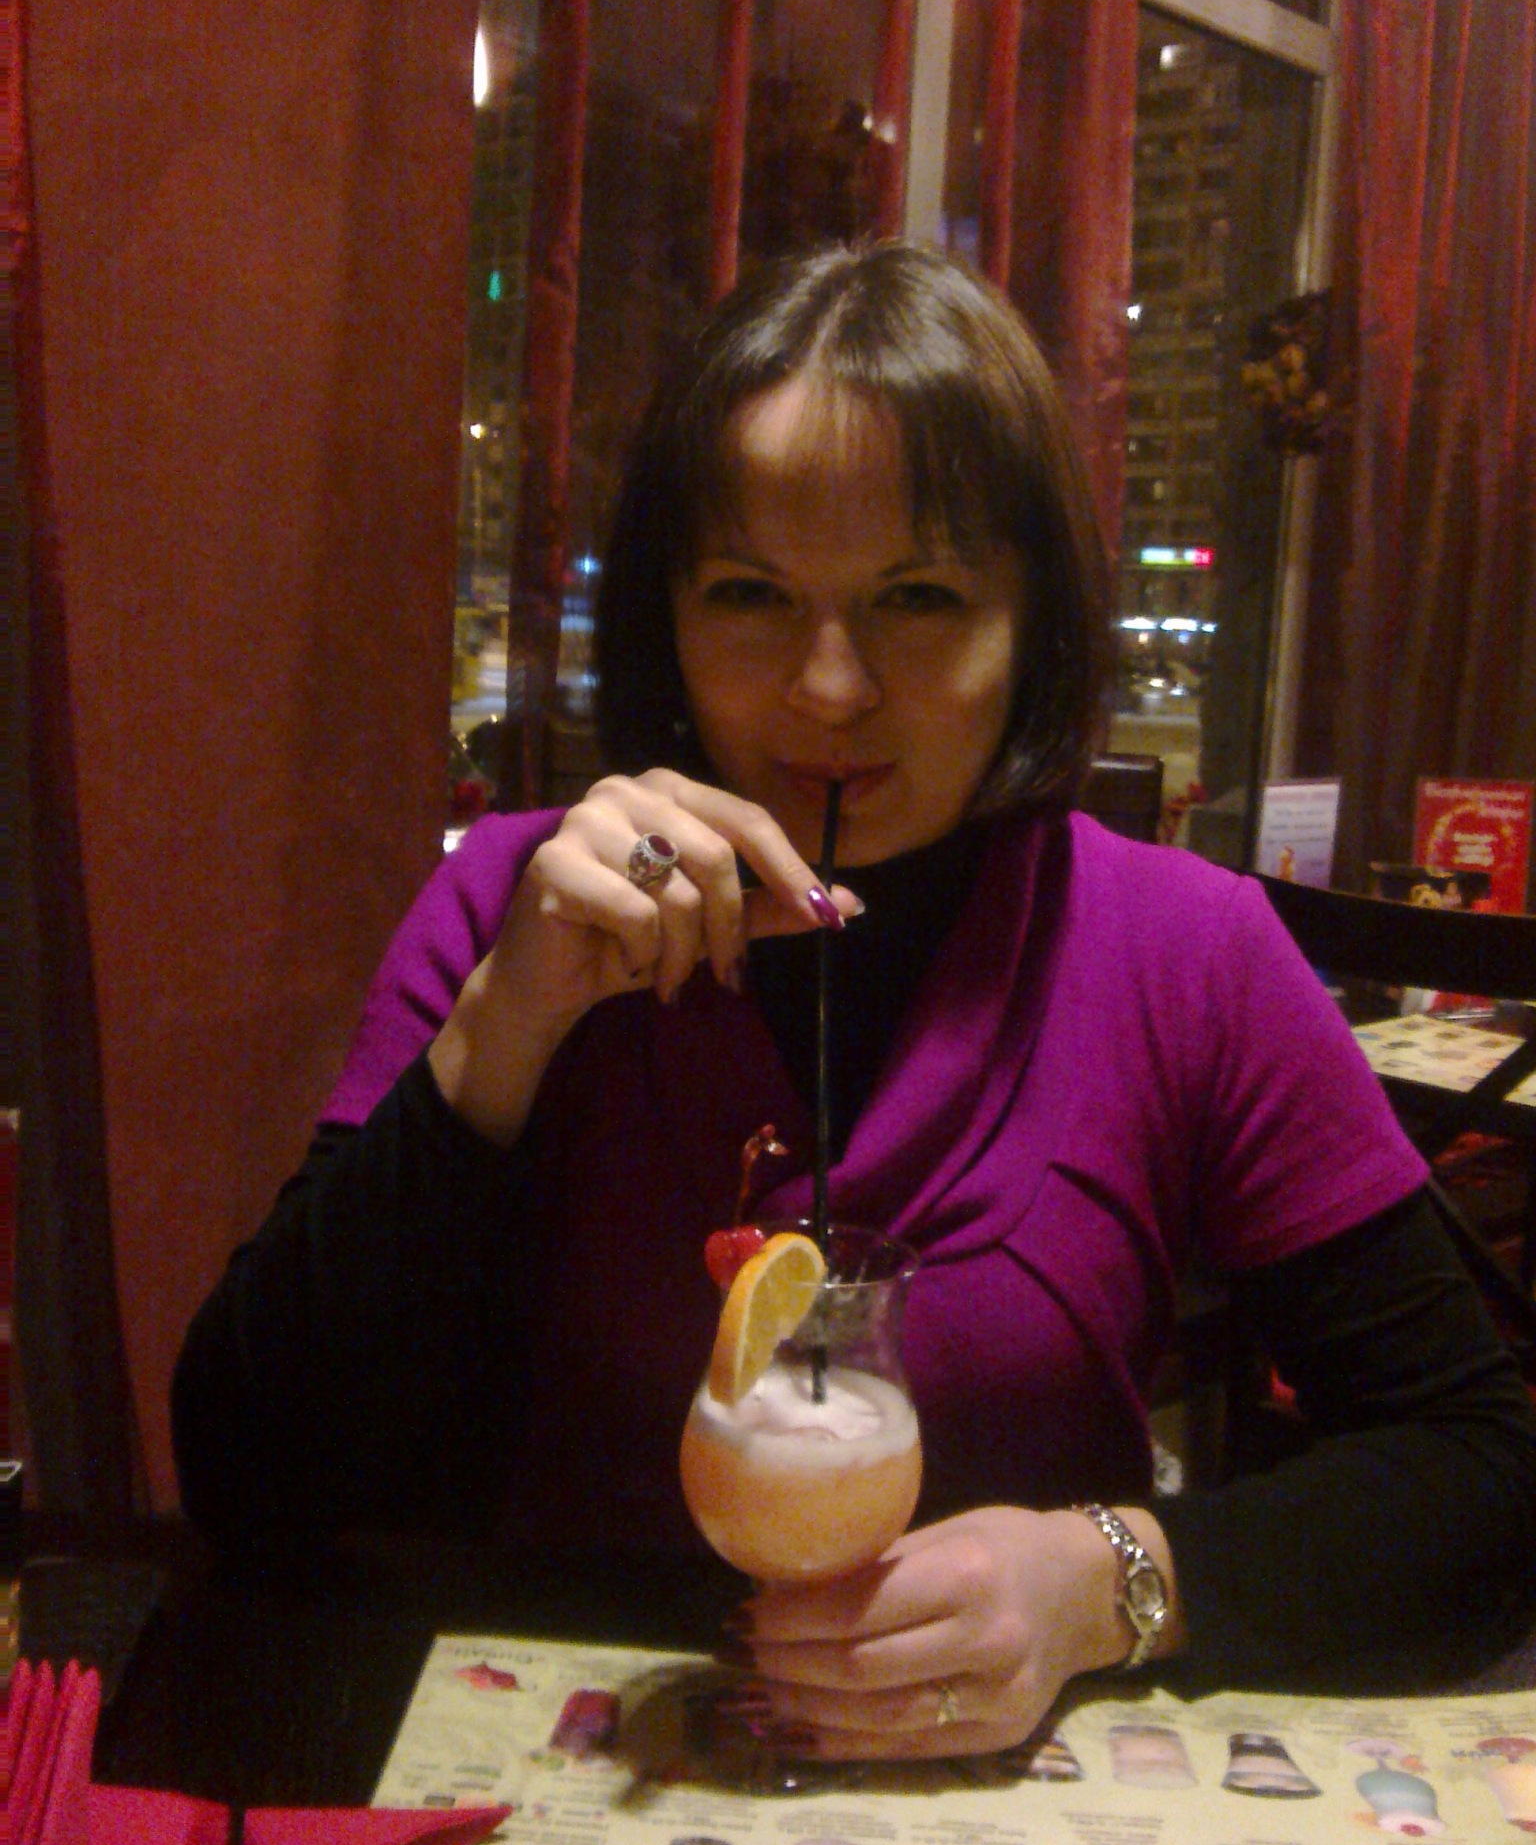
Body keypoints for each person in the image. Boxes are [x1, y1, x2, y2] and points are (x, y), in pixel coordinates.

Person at [175, 240, 1536, 1761]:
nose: (831, 688)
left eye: (920, 597)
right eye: (751, 593)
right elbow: (247, 1478)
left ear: (1034, 628)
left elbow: (1484, 1467)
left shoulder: (1182, 950)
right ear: (667, 619)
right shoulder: (521, 903)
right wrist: (505, 1024)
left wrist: (1105, 1583)